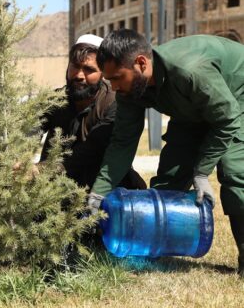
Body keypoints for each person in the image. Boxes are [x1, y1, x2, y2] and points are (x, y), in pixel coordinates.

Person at [88, 29, 244, 276]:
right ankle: (158, 249)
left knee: (236, 174)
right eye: (110, 81)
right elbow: (123, 142)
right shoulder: (130, 90)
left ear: (141, 63)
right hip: (191, 110)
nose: (115, 88)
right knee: (168, 182)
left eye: (118, 78)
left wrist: (202, 173)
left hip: (236, 97)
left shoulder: (190, 70)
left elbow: (227, 121)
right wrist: (99, 191)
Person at [40, 34, 146, 190]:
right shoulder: (55, 100)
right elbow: (30, 127)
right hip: (56, 188)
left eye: (89, 70)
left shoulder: (114, 104)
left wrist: (40, 170)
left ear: (103, 73)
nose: (78, 75)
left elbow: (89, 152)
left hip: (103, 190)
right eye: (74, 66)